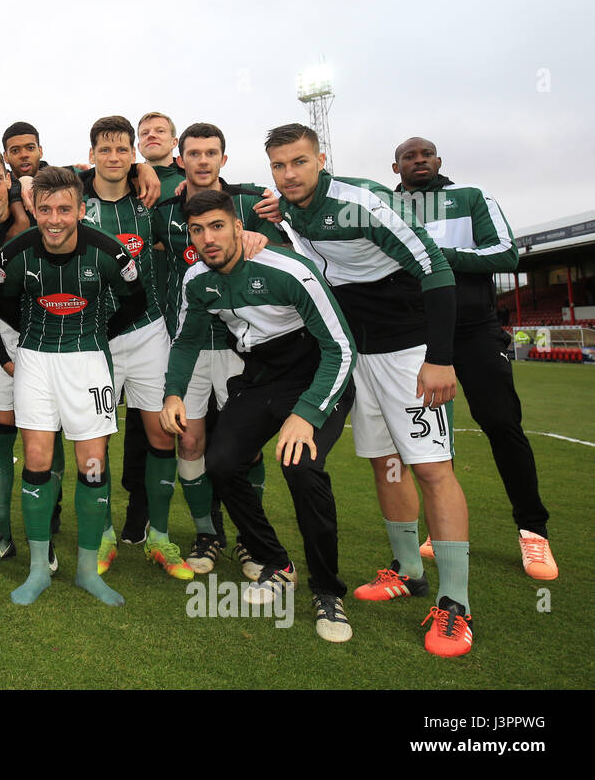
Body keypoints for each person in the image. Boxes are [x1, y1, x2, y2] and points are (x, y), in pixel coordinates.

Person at [265, 123, 472, 657]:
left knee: (431, 467)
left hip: (407, 349)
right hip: (356, 350)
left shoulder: (363, 203)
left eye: (299, 162)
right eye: (279, 165)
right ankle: (407, 570)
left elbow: (434, 266)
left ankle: (455, 606)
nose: (289, 174)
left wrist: (440, 358)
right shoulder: (288, 207)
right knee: (385, 461)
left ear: (321, 159)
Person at [162, 189, 357, 642]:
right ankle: (276, 561)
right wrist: (173, 394)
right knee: (223, 462)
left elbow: (341, 348)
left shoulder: (289, 269)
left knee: (302, 467)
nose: (208, 238)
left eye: (216, 226)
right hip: (261, 376)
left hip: (316, 372)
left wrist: (307, 413)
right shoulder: (197, 279)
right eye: (197, 230)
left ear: (237, 225)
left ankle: (328, 591)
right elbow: (187, 340)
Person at [392, 137, 556, 580]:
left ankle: (533, 532)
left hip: (473, 331)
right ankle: (439, 531)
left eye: (426, 154)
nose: (419, 160)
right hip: (417, 335)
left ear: (439, 161)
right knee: (431, 440)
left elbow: (506, 253)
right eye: (410, 156)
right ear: (396, 166)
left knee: (502, 425)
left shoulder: (471, 197)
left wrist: (436, 257)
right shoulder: (386, 206)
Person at [0, 166, 143, 606]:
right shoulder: (15, 254)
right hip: (35, 361)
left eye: (63, 209)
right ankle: (39, 570)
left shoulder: (108, 253)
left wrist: (95, 331)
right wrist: (39, 336)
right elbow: (3, 304)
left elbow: (137, 301)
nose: (54, 219)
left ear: (81, 209)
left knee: (92, 466)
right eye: (45, 209)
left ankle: (86, 571)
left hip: (89, 362)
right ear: (33, 210)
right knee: (37, 461)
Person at [151, 122, 284, 577]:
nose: (202, 161)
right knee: (188, 440)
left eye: (211, 153)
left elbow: (288, 242)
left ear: (223, 159)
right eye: (194, 153)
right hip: (186, 343)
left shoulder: (251, 202)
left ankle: (250, 536)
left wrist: (269, 231)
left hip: (239, 347)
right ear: (179, 159)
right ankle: (208, 532)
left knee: (246, 445)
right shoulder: (163, 210)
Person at [78, 115, 189, 581]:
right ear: (91, 157)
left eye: (123, 150)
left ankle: (158, 537)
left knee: (163, 434)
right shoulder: (75, 205)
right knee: (94, 444)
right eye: (105, 150)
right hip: (93, 340)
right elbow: (33, 183)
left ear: (133, 155)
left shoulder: (151, 207)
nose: (114, 157)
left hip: (147, 333)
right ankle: (102, 534)